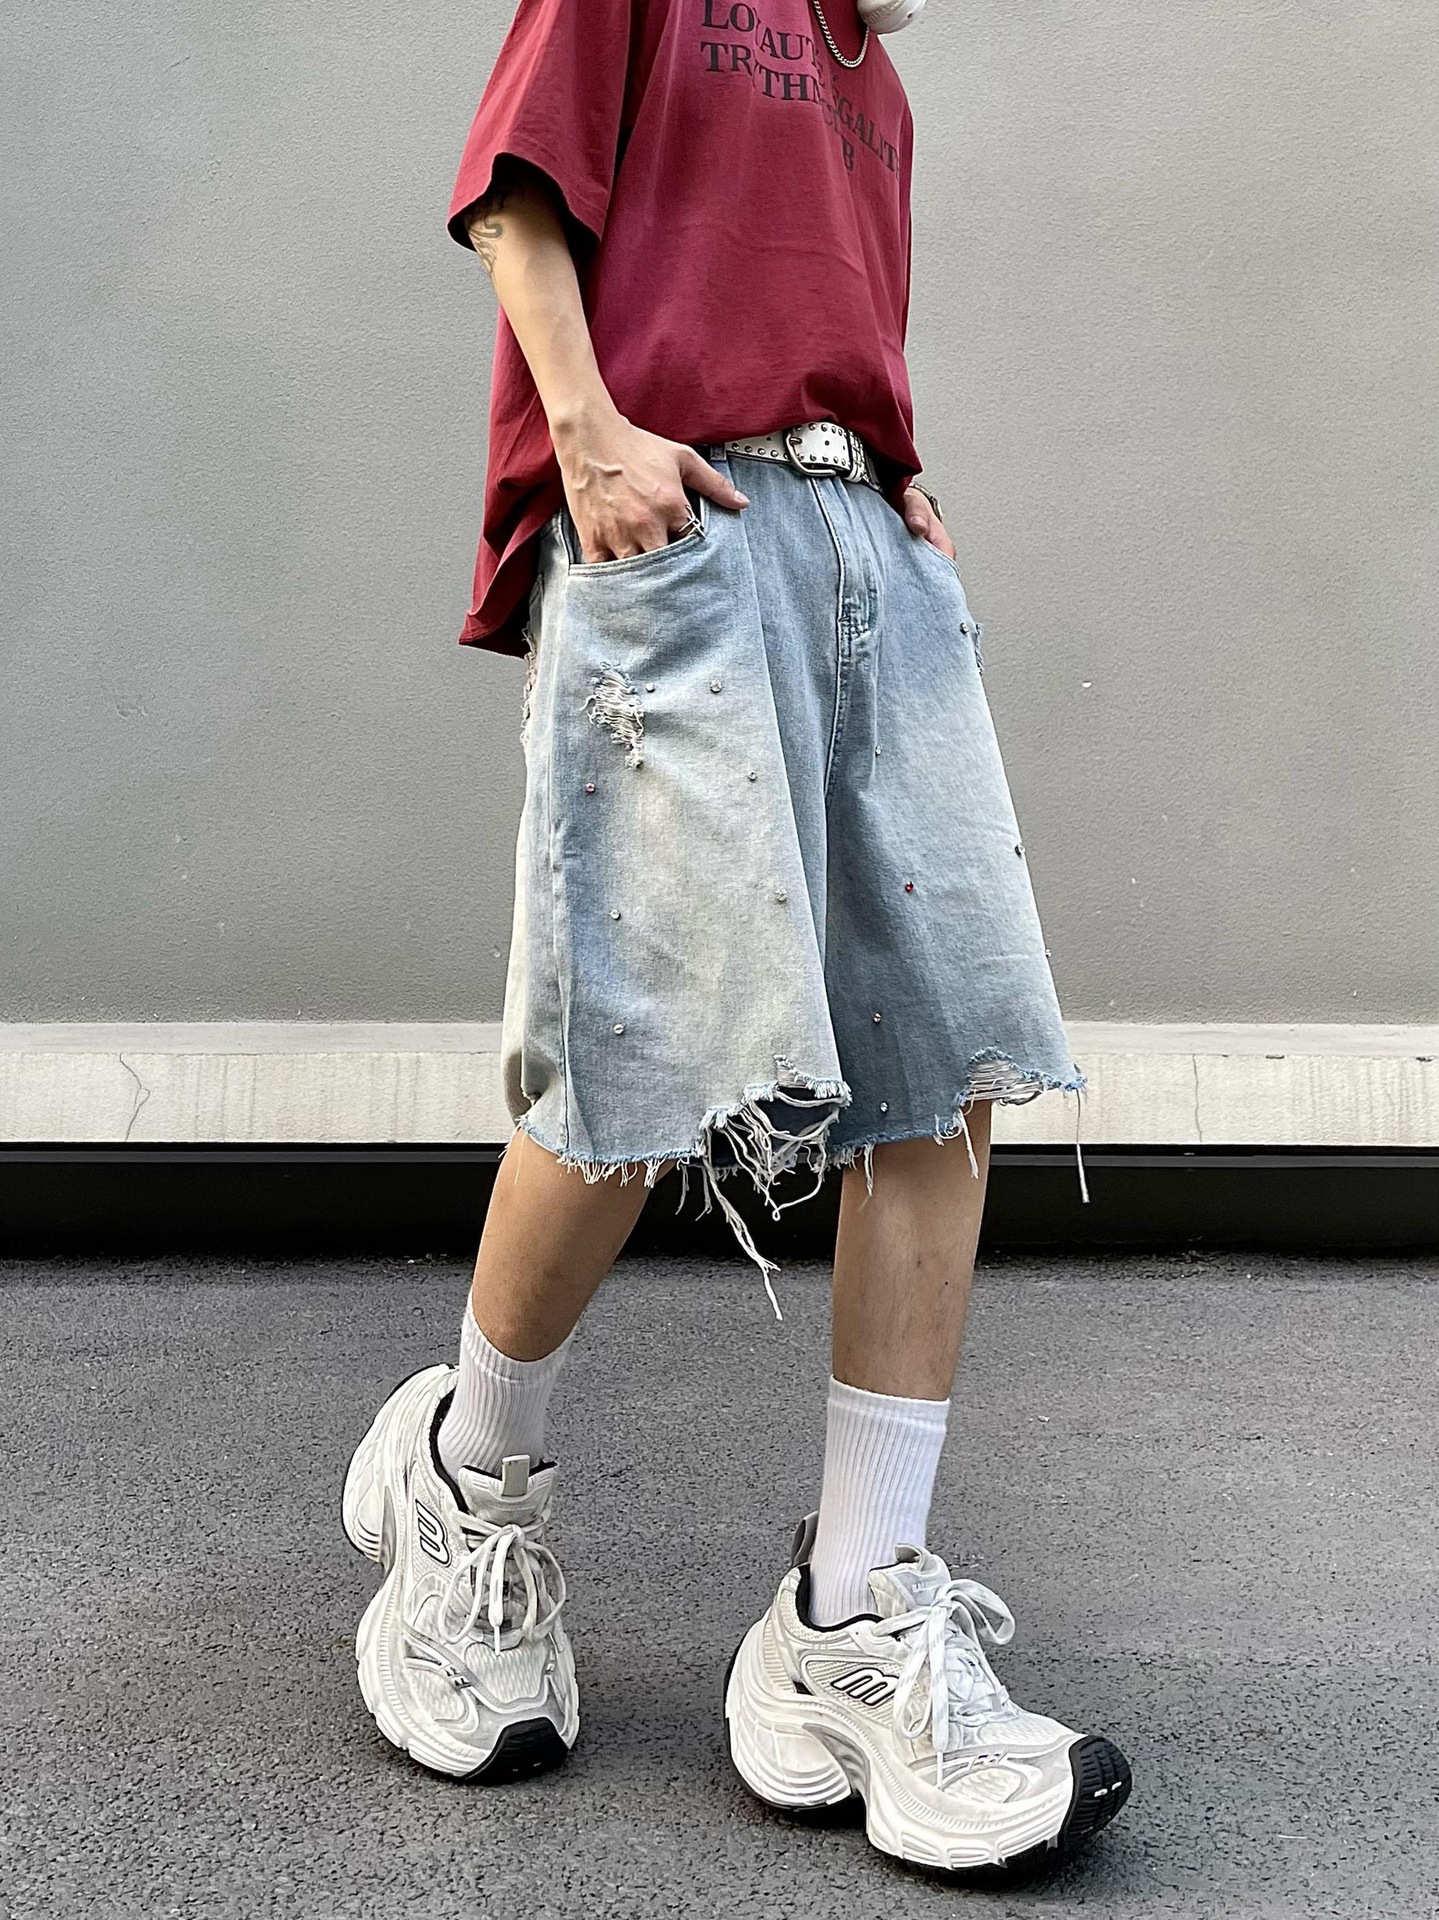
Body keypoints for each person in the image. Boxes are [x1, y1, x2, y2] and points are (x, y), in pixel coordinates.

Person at [342, 0, 1132, 1872]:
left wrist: (890, 469)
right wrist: (588, 435)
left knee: (941, 1063)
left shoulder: (876, 83)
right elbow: (514, 196)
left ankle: (851, 1619)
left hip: (862, 544)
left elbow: (827, 324)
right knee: (640, 1065)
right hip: (675, 526)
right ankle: (465, 1482)